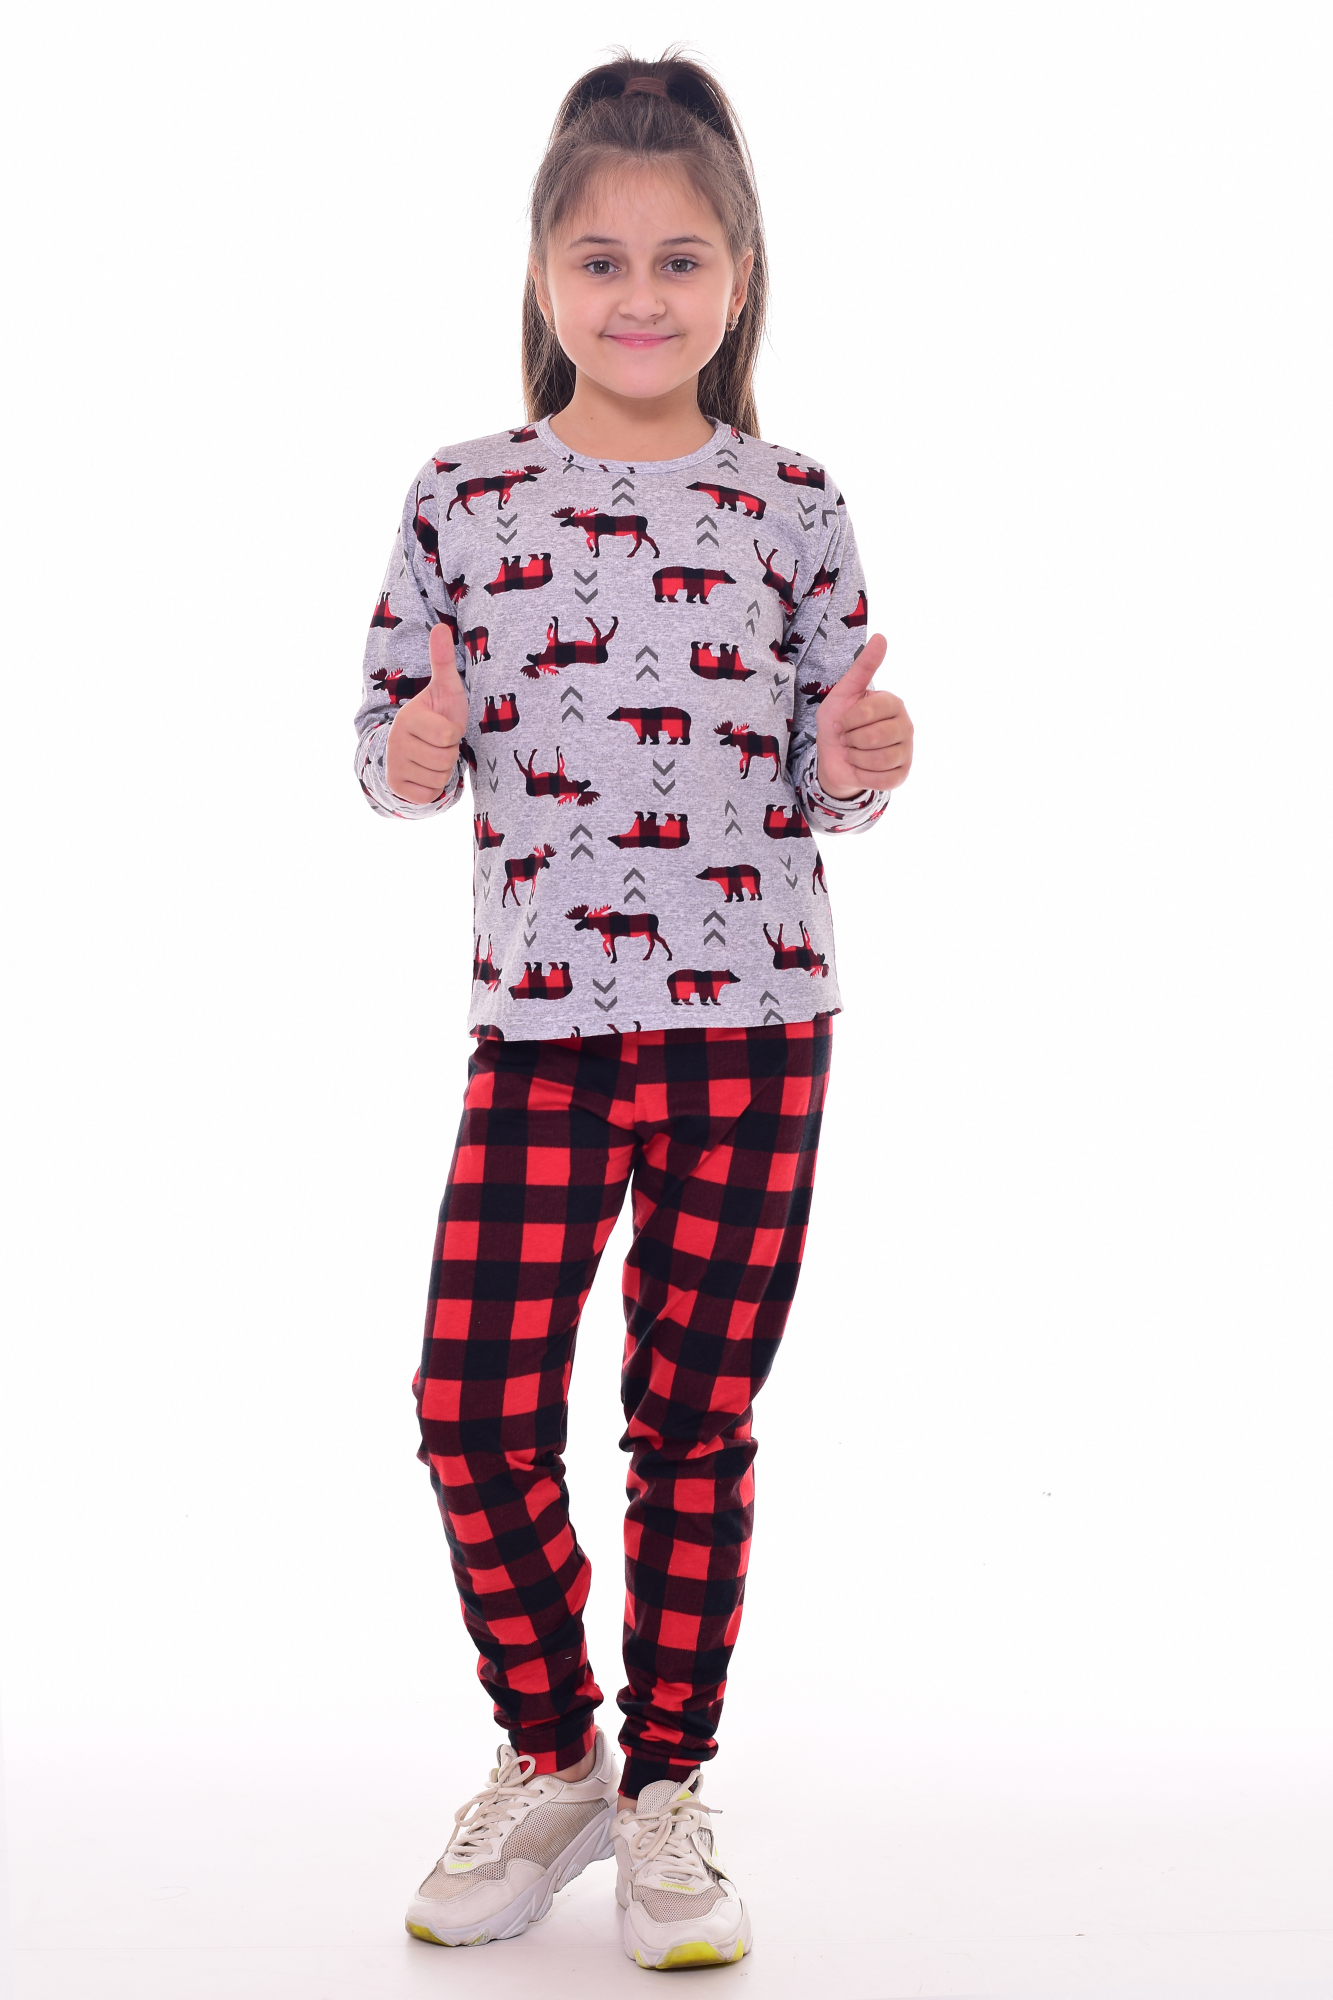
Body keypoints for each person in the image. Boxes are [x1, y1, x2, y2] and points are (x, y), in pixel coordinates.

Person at [354, 50, 914, 1972]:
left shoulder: (793, 504)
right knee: (470, 1408)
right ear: (541, 274)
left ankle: (667, 1782)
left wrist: (864, 757)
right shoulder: (464, 497)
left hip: (755, 1025)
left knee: (691, 1418)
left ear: (739, 279)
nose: (641, 297)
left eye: (682, 260)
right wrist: (415, 745)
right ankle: (552, 1750)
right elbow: (391, 754)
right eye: (600, 261)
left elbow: (827, 773)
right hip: (541, 1032)